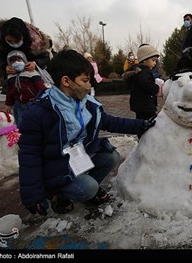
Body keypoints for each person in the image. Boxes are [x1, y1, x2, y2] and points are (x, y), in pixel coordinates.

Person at [18, 49, 156, 216]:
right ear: (66, 81)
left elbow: (109, 121)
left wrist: (141, 125)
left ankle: (81, 189)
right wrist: (32, 196)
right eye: (84, 80)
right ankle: (57, 193)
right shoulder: (40, 111)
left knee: (110, 157)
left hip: (77, 159)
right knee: (90, 188)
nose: (89, 85)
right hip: (56, 166)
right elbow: (29, 155)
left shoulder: (87, 103)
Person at [0, 17, 51, 94]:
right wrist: (4, 66)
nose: (13, 44)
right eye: (9, 41)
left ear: (23, 36)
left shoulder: (36, 43)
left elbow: (45, 58)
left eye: (17, 41)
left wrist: (35, 64)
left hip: (33, 80)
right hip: (12, 81)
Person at [5, 50, 47, 127]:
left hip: (32, 102)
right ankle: (22, 136)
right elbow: (9, 92)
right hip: (18, 103)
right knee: (20, 123)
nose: (16, 62)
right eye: (13, 61)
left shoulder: (31, 73)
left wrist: (45, 100)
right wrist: (8, 104)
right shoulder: (10, 76)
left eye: (19, 59)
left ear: (24, 61)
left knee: (35, 121)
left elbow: (41, 88)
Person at [126, 44, 163, 120]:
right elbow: (147, 86)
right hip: (145, 105)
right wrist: (157, 87)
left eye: (155, 61)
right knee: (151, 121)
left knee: (141, 121)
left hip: (139, 105)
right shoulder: (144, 72)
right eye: (153, 60)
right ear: (145, 60)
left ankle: (140, 130)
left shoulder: (138, 71)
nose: (155, 63)